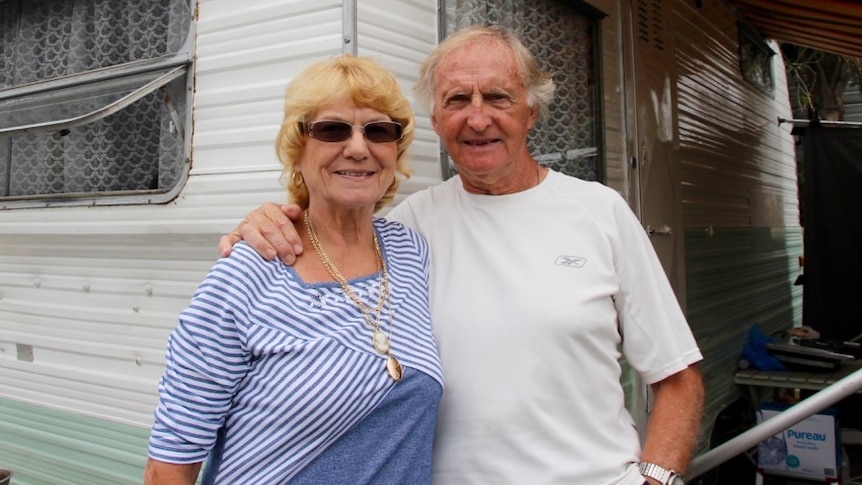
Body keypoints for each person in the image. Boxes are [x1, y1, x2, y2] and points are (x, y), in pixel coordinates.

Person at [220, 26, 705, 485]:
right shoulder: (407, 230)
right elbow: (326, 238)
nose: (477, 118)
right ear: (435, 120)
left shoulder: (600, 212)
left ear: (530, 112)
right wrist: (268, 221)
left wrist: (656, 477)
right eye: (457, 100)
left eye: (498, 97)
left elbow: (677, 376)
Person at [145, 55, 442, 485]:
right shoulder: (249, 271)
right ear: (297, 149)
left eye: (378, 130)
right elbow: (169, 466)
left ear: (395, 150)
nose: (358, 148)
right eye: (332, 129)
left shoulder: (409, 251)